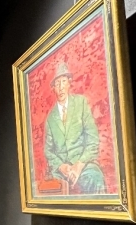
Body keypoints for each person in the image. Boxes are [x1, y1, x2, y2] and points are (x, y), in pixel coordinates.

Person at [44, 62, 106, 194]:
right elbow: (48, 151)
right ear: (53, 88)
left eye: (63, 81)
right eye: (57, 83)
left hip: (84, 165)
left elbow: (93, 140)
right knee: (51, 188)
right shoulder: (50, 118)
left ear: (69, 83)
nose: (61, 87)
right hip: (61, 172)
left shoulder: (80, 103)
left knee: (96, 178)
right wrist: (61, 166)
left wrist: (79, 165)